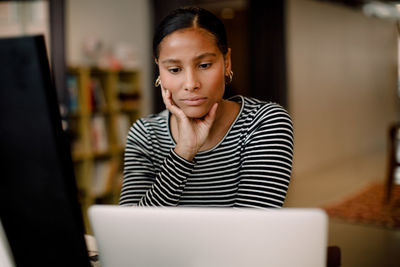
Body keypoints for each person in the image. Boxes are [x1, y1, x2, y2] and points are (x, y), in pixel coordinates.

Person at [119, 6, 294, 208]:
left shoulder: (264, 122)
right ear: (159, 69)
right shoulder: (146, 134)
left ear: (226, 62)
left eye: (204, 65)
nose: (191, 83)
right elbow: (135, 226)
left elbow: (250, 227)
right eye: (174, 69)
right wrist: (184, 152)